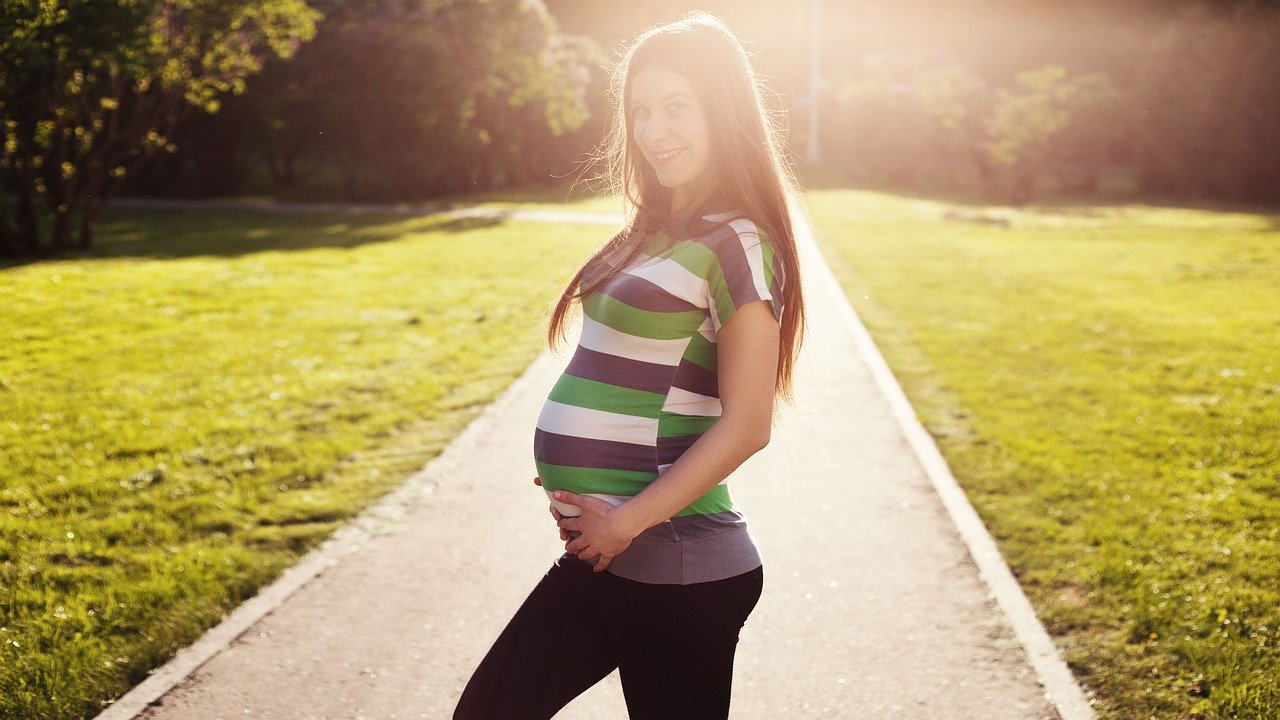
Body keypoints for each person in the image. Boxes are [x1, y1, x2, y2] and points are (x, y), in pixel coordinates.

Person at [453, 11, 807, 719]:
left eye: (679, 108)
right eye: (642, 111)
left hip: (676, 564)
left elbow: (749, 425)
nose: (655, 131)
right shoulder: (654, 230)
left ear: (723, 111)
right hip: (614, 557)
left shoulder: (739, 242)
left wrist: (624, 518)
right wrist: (581, 463)